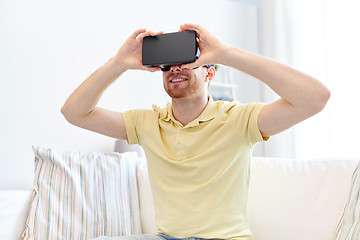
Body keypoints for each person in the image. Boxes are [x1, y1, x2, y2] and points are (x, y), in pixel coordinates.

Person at [61, 23, 330, 240]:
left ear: (209, 74)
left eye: (188, 61)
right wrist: (119, 62)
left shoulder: (239, 119)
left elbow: (315, 98)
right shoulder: (146, 123)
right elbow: (74, 112)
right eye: (168, 64)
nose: (176, 68)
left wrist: (226, 54)